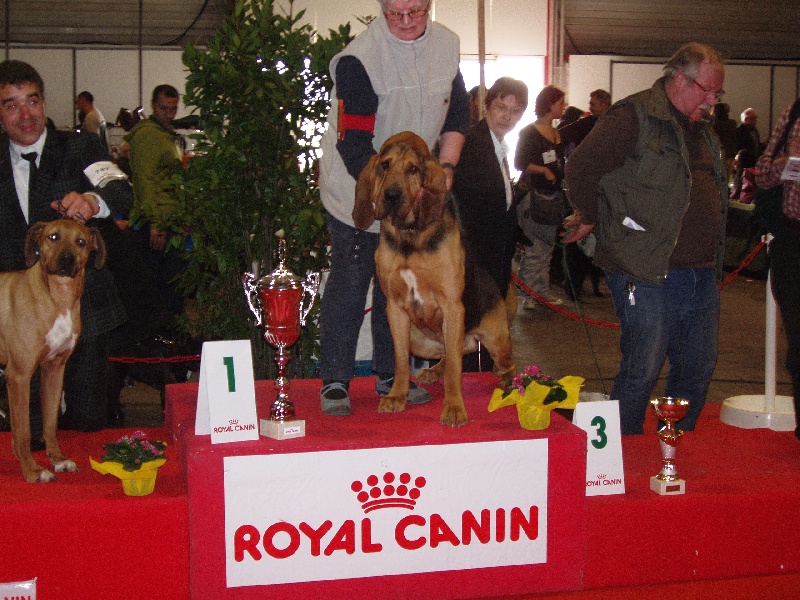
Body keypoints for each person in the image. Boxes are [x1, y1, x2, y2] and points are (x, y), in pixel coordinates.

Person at [563, 42, 729, 435]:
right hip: (644, 269)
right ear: (679, 79)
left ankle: (673, 448)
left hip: (700, 271)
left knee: (698, 366)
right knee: (643, 366)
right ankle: (623, 451)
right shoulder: (632, 116)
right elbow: (582, 167)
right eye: (706, 90)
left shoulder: (705, 132)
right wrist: (591, 216)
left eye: (717, 93)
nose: (712, 100)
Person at [317, 0, 469, 416]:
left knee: (402, 290)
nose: (405, 22)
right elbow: (353, 144)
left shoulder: (447, 45)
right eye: (394, 14)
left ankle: (392, 377)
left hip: (416, 187)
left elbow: (458, 113)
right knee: (351, 280)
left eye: (415, 12)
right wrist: (386, 194)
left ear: (429, 6)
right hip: (360, 183)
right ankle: (335, 380)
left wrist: (446, 167)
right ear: (382, 8)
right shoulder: (358, 61)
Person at [0, 60, 133, 434]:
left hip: (85, 311)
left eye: (32, 101)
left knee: (89, 424)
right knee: (27, 432)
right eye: (11, 105)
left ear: (44, 103)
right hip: (17, 318)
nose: (25, 115)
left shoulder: (81, 146)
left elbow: (122, 193)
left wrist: (92, 201)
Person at [453, 76, 527, 372]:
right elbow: (469, 202)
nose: (507, 117)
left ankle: (479, 379)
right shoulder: (472, 143)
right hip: (475, 254)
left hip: (495, 253)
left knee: (485, 327)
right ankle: (470, 380)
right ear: (486, 106)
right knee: (473, 325)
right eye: (501, 107)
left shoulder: (498, 146)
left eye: (515, 111)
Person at [755, 99, 800, 441]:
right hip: (793, 239)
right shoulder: (793, 112)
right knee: (797, 341)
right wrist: (786, 162)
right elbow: (762, 173)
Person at [123, 84, 186, 323]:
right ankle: (161, 331)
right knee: (160, 286)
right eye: (163, 108)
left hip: (167, 219)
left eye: (173, 109)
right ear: (152, 106)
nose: (168, 114)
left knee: (169, 283)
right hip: (156, 222)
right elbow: (145, 181)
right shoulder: (148, 135)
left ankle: (168, 329)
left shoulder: (163, 134)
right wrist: (156, 223)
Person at [515, 84, 567, 309]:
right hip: (533, 197)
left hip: (553, 198)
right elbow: (520, 163)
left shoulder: (558, 133)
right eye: (560, 103)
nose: (563, 107)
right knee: (534, 248)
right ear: (549, 104)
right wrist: (543, 170)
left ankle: (541, 293)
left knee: (547, 248)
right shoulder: (529, 132)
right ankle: (527, 294)